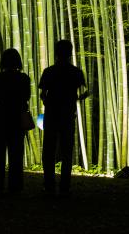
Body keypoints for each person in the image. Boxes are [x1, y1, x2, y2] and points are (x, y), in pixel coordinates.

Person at [38, 40, 89, 197]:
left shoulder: (49, 71)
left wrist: (48, 103)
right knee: (67, 151)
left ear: (56, 52)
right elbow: (84, 92)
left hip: (51, 115)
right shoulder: (76, 72)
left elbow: (42, 94)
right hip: (67, 115)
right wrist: (77, 99)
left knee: (49, 150)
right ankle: (65, 185)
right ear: (70, 53)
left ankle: (49, 184)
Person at [0, 48, 31, 193]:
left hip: (1, 118)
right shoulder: (24, 78)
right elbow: (26, 96)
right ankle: (15, 187)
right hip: (18, 119)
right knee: (16, 155)